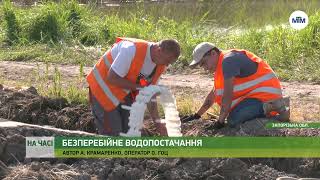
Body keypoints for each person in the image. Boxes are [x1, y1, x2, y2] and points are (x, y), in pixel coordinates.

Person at [181, 42, 289, 128]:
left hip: (265, 96)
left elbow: (227, 97)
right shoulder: (221, 65)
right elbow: (214, 94)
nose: (204, 68)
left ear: (213, 53)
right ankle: (274, 107)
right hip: (254, 97)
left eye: (204, 63)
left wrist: (220, 122)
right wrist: (197, 115)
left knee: (233, 121)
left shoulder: (228, 61)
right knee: (232, 117)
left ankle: (278, 110)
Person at [87, 37, 180, 136]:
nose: (167, 64)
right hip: (103, 92)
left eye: (170, 63)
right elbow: (112, 78)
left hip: (123, 93)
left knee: (130, 132)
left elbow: (150, 94)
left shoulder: (160, 64)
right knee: (113, 135)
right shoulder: (130, 50)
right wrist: (140, 87)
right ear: (159, 50)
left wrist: (158, 124)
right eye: (167, 60)